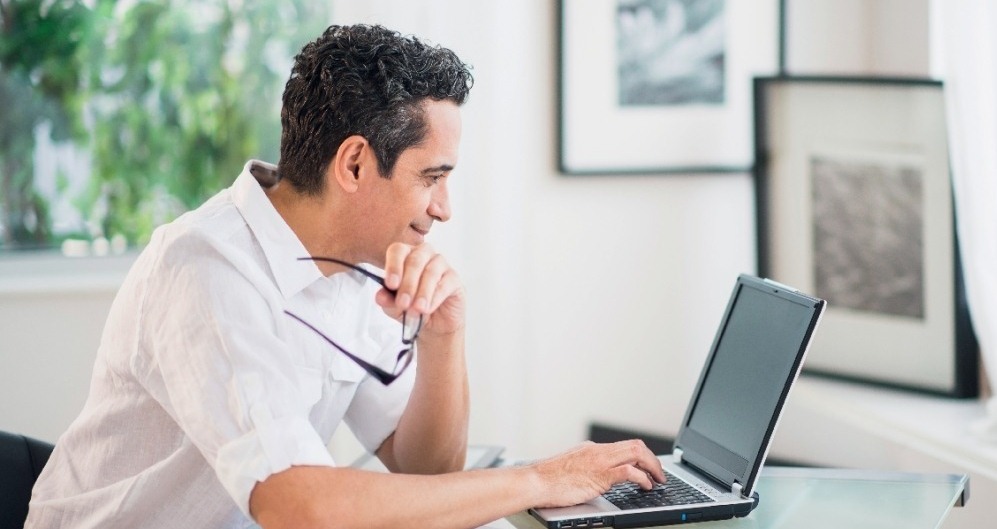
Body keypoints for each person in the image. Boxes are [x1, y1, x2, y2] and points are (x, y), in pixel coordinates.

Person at [26, 24, 664, 529]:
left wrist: (445, 335)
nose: (444, 208)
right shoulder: (207, 270)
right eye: (432, 178)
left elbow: (424, 471)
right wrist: (541, 480)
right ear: (355, 164)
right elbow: (297, 506)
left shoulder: (356, 263)